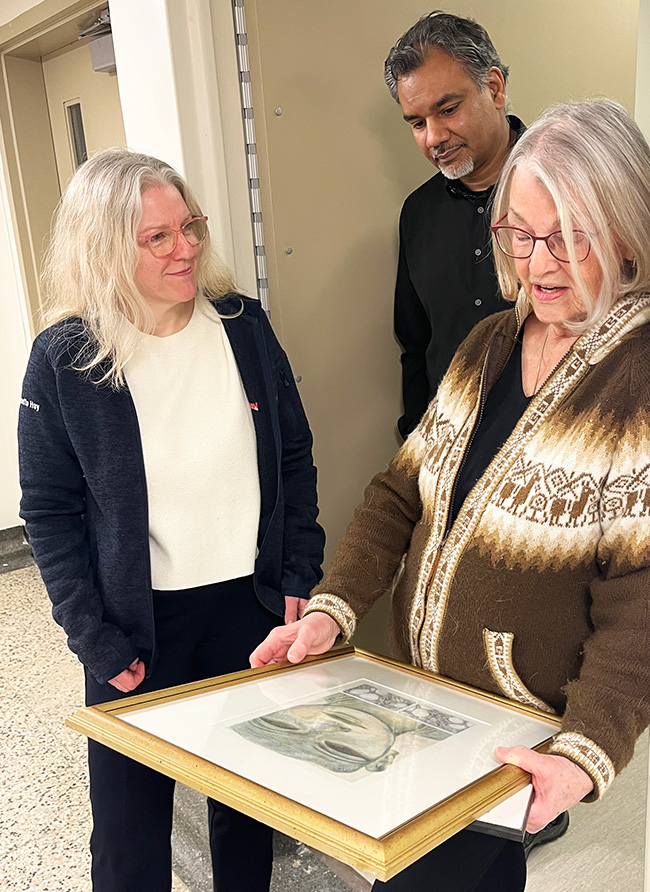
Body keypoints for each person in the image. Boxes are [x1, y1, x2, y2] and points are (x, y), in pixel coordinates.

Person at [250, 98, 650, 892]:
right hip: (420, 709)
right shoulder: (488, 342)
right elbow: (400, 494)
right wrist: (333, 608)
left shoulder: (637, 383)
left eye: (569, 236)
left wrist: (585, 750)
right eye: (520, 234)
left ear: (628, 230)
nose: (538, 263)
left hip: (512, 739)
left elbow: (640, 601)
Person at [18, 148, 325, 892]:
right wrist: (91, 635)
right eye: (157, 237)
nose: (185, 248)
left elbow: (293, 455)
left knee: (248, 809)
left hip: (250, 610)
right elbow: (50, 513)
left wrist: (298, 572)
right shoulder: (66, 359)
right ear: (103, 248)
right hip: (135, 623)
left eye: (189, 227)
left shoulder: (243, 326)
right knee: (129, 831)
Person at [386, 11, 525, 438]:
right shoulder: (418, 213)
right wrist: (416, 444)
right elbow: (415, 346)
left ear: (495, 89)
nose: (433, 137)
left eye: (447, 110)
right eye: (417, 123)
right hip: (449, 450)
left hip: (552, 451)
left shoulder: (569, 188)